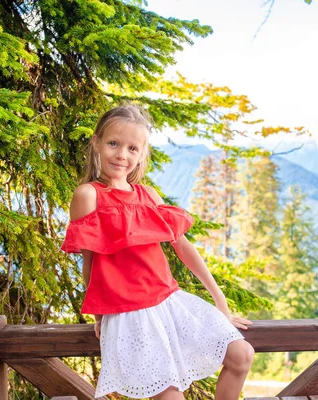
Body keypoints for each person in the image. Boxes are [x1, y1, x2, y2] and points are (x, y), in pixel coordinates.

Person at [61, 104, 254, 399]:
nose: (122, 155)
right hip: (129, 314)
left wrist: (220, 300)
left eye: (132, 148)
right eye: (113, 143)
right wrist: (100, 315)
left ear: (141, 154)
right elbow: (89, 262)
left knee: (241, 355)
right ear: (97, 142)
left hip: (169, 301)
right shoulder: (89, 195)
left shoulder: (148, 195)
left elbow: (184, 248)